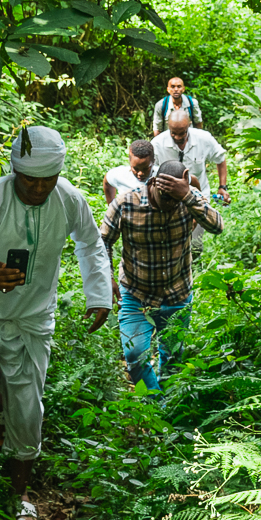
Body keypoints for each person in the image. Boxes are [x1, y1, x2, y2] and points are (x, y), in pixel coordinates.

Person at [0, 126, 112, 520]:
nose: (38, 188)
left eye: (46, 180)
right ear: (15, 171)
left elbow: (89, 242)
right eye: (29, 180)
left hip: (31, 317)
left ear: (57, 175)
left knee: (28, 409)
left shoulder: (68, 198)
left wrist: (99, 294)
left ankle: (20, 495)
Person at [100, 159, 222, 391]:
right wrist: (108, 276)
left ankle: (170, 411)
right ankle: (157, 408)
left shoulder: (189, 199)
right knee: (134, 355)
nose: (169, 204)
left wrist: (187, 196)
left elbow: (217, 226)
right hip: (136, 294)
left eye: (174, 200)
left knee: (173, 357)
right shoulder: (126, 203)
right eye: (165, 197)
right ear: (154, 182)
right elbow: (103, 241)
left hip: (177, 294)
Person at [151, 107, 230, 251]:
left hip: (199, 197)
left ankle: (195, 266)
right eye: (173, 133)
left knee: (195, 245)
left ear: (190, 125)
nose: (177, 137)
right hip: (169, 201)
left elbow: (220, 158)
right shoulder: (157, 144)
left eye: (182, 133)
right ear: (168, 126)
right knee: (171, 242)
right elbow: (150, 175)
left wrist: (222, 187)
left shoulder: (204, 139)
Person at [103, 139, 156, 204]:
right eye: (135, 169)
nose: (140, 173)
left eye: (145, 169)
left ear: (153, 161)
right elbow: (107, 181)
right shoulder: (120, 175)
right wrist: (111, 206)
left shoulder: (161, 175)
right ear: (130, 161)